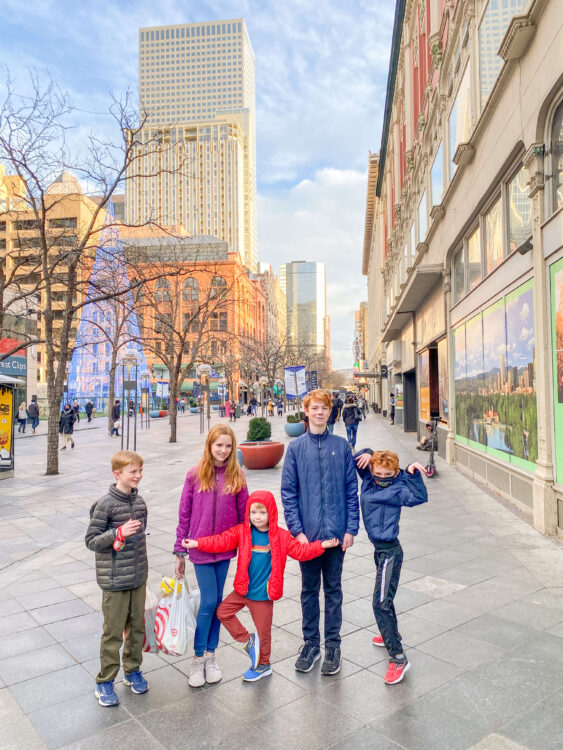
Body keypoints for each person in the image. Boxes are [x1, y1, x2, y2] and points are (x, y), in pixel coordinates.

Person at [182, 491, 339, 682]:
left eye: (262, 512)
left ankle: (264, 665)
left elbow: (300, 551)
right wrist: (198, 543)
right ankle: (248, 641)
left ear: (271, 513)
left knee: (264, 634)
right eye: (253, 512)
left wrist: (321, 545)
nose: (257, 517)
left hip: (263, 597)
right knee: (222, 612)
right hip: (243, 591)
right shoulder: (243, 532)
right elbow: (221, 541)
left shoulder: (280, 536)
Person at [281, 389, 359, 676]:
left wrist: (351, 528)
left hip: (336, 536)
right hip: (309, 538)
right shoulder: (296, 449)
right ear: (307, 411)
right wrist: (297, 531)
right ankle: (311, 643)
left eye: (323, 408)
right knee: (309, 591)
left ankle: (333, 646)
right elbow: (288, 493)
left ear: (330, 412)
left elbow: (352, 490)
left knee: (334, 591)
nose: (319, 412)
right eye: (314, 408)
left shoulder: (341, 446)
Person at [174, 424, 248, 687]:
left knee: (217, 603)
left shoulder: (237, 475)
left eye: (228, 446)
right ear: (209, 445)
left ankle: (210, 656)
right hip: (200, 546)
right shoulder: (195, 475)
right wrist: (179, 550)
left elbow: (244, 517)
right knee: (208, 603)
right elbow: (184, 513)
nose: (223, 450)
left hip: (225, 548)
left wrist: (246, 550)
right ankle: (197, 659)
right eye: (219, 445)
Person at [354, 449, 428, 685]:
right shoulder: (368, 480)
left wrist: (412, 474)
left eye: (388, 474)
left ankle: (398, 657)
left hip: (390, 552)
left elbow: (418, 498)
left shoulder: (399, 487)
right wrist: (367, 452)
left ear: (395, 472)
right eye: (378, 473)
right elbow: (357, 459)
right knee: (386, 599)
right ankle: (390, 634)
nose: (382, 478)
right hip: (378, 550)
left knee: (380, 603)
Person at [85, 450, 149, 706]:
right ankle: (105, 681)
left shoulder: (141, 502)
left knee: (137, 628)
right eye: (133, 472)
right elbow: (91, 541)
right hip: (114, 580)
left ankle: (132, 670)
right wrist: (117, 533)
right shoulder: (105, 504)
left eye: (140, 471)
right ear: (117, 474)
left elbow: (142, 538)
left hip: (138, 576)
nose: (138, 476)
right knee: (112, 632)